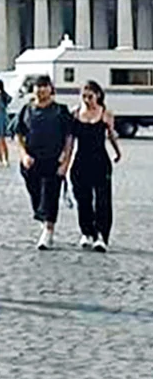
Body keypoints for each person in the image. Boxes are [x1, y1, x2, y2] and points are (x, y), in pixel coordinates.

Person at [14, 74, 75, 250]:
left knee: (51, 195)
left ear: (51, 89)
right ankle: (42, 218)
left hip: (53, 160)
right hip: (31, 161)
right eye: (37, 86)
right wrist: (23, 154)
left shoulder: (60, 111)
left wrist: (66, 162)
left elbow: (69, 138)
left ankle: (48, 230)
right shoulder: (26, 110)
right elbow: (19, 133)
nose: (40, 90)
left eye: (44, 86)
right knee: (36, 195)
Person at [70, 81, 121, 252]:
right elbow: (69, 141)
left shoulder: (106, 113)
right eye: (83, 96)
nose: (86, 100)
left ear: (98, 95)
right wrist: (64, 160)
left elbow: (111, 135)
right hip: (80, 162)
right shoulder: (75, 114)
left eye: (90, 96)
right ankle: (87, 232)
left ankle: (101, 235)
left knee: (102, 200)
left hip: (100, 161)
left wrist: (118, 152)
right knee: (83, 199)